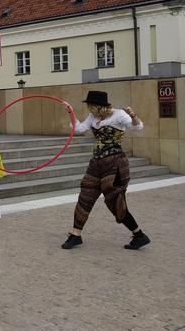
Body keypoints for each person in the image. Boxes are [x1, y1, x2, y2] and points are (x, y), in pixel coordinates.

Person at [61, 91, 150, 250]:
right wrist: (70, 112)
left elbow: (137, 127)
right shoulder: (93, 117)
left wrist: (134, 116)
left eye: (90, 105)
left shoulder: (119, 114)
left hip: (115, 164)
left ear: (97, 106)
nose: (88, 108)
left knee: (115, 202)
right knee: (85, 196)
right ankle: (76, 235)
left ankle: (139, 235)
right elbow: (79, 129)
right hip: (96, 164)